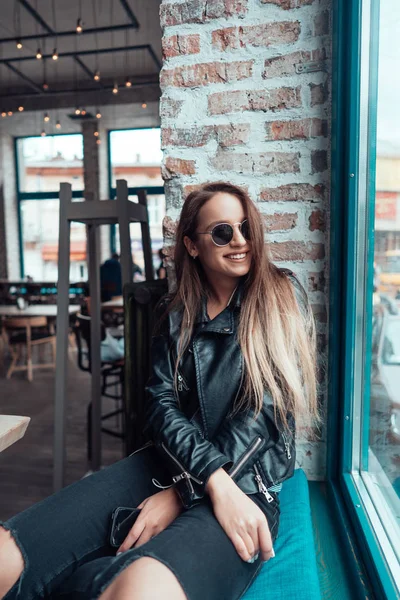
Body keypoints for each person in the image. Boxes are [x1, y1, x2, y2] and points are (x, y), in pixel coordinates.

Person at [0, 181, 321, 600]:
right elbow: (160, 404)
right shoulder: (176, 313)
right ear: (191, 245)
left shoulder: (281, 292)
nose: (240, 241)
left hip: (246, 483)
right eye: (223, 232)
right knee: (8, 553)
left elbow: (260, 413)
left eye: (246, 227)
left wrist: (190, 489)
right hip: (168, 464)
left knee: (139, 589)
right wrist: (195, 481)